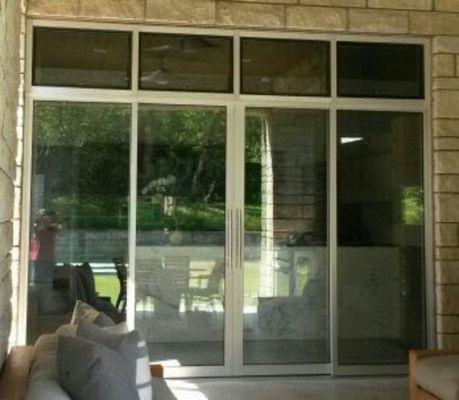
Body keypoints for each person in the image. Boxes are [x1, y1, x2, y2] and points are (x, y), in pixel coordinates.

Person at [30, 209, 62, 284]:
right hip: (40, 259)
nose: (47, 220)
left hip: (49, 259)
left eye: (49, 219)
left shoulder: (53, 230)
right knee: (38, 281)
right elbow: (36, 229)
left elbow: (60, 228)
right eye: (46, 218)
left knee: (48, 282)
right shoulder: (40, 230)